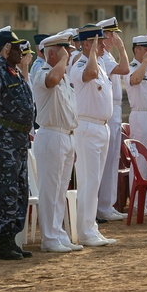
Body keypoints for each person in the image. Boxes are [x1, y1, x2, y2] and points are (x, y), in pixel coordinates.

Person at [0, 28, 36, 260]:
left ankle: (12, 238)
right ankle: (4, 242)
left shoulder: (14, 71)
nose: (20, 51)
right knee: (6, 190)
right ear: (5, 49)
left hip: (19, 140)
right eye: (15, 48)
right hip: (5, 140)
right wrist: (0, 57)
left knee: (20, 190)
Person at [31, 31, 82, 253]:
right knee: (50, 190)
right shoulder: (43, 72)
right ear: (52, 53)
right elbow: (51, 80)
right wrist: (61, 60)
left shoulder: (64, 75)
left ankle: (58, 233)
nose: (68, 55)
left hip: (66, 135)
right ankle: (49, 238)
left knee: (61, 190)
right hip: (50, 135)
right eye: (64, 51)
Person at [71, 26, 117, 247]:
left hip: (101, 127)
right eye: (98, 42)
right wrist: (89, 52)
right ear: (87, 44)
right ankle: (85, 231)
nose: (103, 45)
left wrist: (94, 53)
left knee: (95, 181)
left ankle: (91, 228)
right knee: (88, 181)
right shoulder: (80, 64)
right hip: (86, 127)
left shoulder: (99, 65)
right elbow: (88, 76)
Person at [95, 18, 129, 222]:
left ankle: (108, 204)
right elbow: (125, 69)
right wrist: (122, 48)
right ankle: (103, 206)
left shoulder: (106, 56)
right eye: (111, 34)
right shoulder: (104, 58)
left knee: (113, 160)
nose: (114, 38)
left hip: (115, 109)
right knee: (106, 162)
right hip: (109, 111)